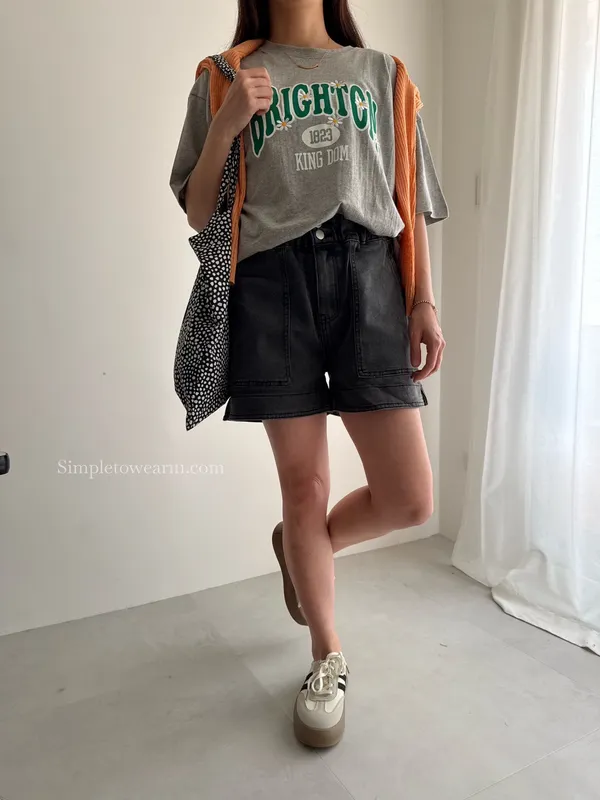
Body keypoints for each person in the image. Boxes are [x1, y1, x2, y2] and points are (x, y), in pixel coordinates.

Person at [170, 0, 448, 749]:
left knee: (409, 498)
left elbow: (409, 203)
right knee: (305, 487)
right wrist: (227, 126)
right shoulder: (223, 77)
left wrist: (423, 301)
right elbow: (199, 214)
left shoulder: (385, 74)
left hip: (371, 279)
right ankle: (327, 656)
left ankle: (303, 549)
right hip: (273, 287)